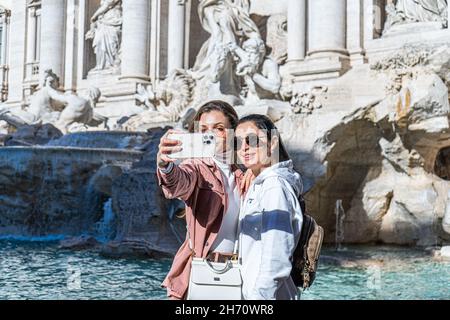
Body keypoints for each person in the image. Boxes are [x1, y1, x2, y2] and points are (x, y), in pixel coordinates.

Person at [157, 100, 249, 300]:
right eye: (204, 129)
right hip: (197, 274)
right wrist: (165, 165)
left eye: (219, 128)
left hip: (237, 275)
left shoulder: (244, 175)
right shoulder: (197, 167)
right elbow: (177, 183)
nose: (210, 134)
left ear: (233, 132)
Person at [234, 114, 304, 300]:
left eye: (252, 140)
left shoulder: (274, 186)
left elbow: (277, 252)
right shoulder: (264, 183)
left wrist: (260, 298)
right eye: (237, 142)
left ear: (272, 143)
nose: (243, 147)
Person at [85, 0, 122, 71]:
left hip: (113, 19)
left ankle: (112, 63)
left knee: (111, 42)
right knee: (99, 41)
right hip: (104, 21)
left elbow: (108, 4)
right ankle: (101, 64)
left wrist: (94, 16)